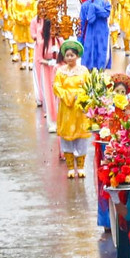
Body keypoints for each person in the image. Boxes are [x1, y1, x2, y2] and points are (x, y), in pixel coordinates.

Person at [53, 39, 91, 179]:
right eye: (67, 55)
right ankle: (70, 167)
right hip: (66, 108)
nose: (70, 58)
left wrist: (80, 96)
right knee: (67, 137)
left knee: (81, 136)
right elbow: (57, 87)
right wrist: (68, 95)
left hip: (80, 108)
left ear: (77, 56)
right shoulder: (60, 72)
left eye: (72, 55)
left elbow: (88, 87)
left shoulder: (84, 71)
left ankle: (80, 167)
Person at [7, 0, 37, 70]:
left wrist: (28, 15)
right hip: (19, 24)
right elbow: (13, 10)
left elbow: (35, 9)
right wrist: (19, 17)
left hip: (29, 23)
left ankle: (31, 61)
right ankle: (23, 61)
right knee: (21, 43)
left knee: (31, 42)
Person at [79, 0, 112, 71]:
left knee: (101, 51)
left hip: (101, 31)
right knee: (88, 52)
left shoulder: (104, 2)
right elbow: (81, 21)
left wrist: (95, 8)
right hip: (89, 32)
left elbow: (106, 13)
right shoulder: (85, 5)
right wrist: (80, 38)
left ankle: (101, 71)